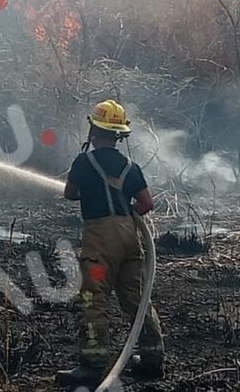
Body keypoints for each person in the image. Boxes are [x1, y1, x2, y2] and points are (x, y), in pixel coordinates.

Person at [56, 100, 165, 387]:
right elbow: (146, 203)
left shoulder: (83, 162)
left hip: (101, 242)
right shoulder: (131, 166)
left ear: (93, 130)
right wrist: (125, 214)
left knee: (94, 297)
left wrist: (92, 194)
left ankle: (92, 366)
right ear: (118, 134)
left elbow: (69, 194)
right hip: (131, 238)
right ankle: (153, 359)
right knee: (136, 298)